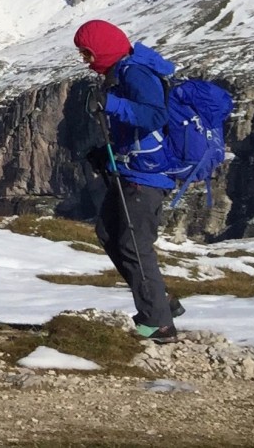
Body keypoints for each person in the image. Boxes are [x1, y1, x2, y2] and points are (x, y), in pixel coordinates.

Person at [73, 19, 184, 342]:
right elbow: (134, 130)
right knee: (108, 232)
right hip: (131, 169)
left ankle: (159, 323)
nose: (85, 60)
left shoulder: (135, 73)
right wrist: (107, 156)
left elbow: (154, 115)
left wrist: (111, 103)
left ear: (102, 50)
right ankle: (161, 303)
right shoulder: (122, 72)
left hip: (145, 175)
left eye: (87, 53)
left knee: (133, 245)